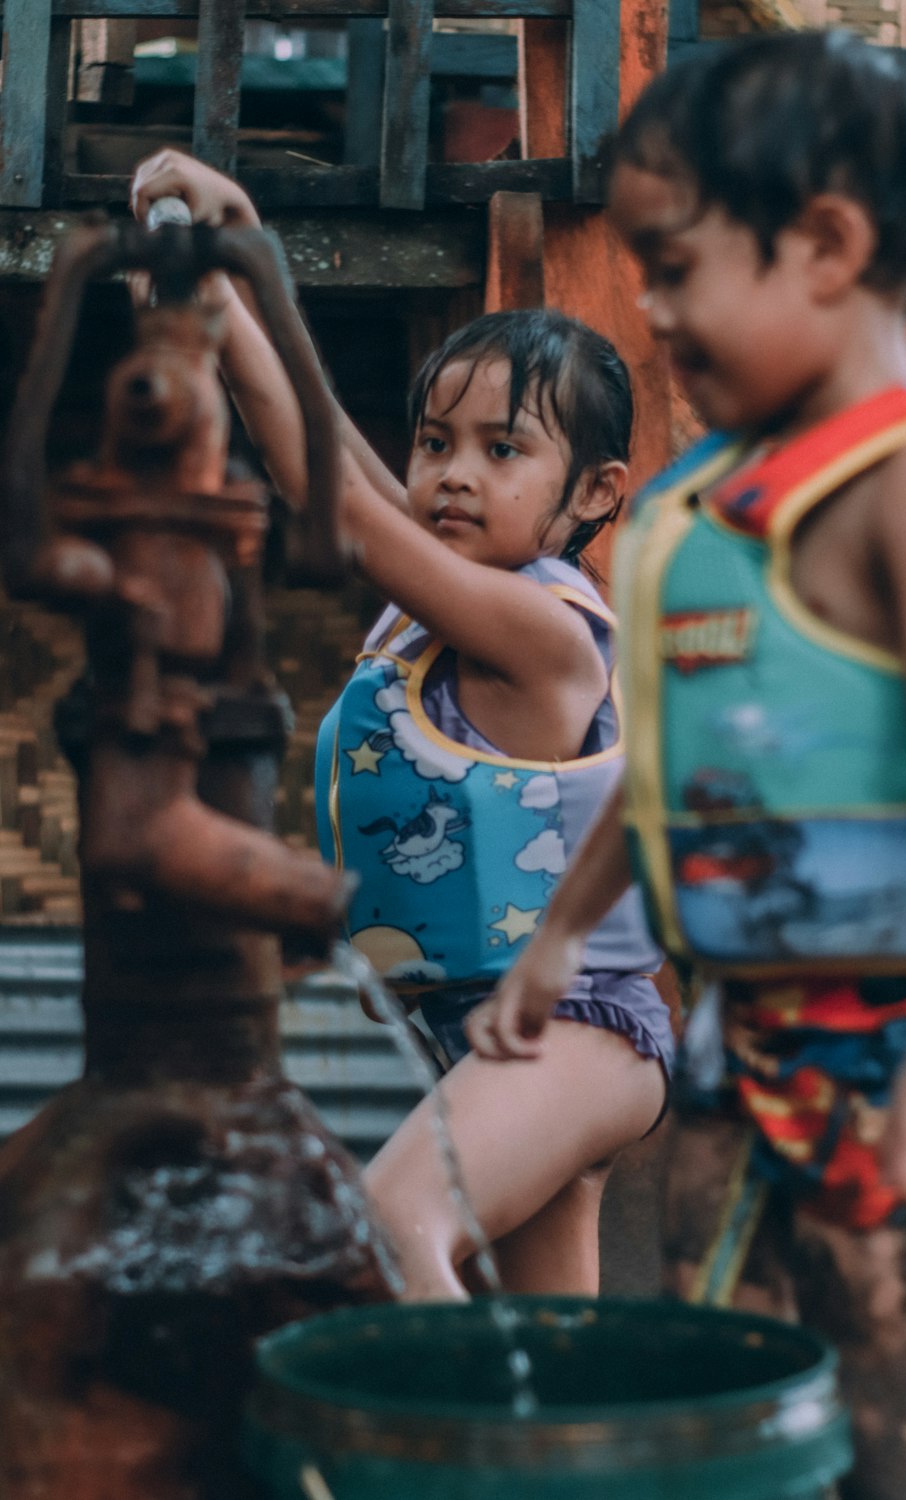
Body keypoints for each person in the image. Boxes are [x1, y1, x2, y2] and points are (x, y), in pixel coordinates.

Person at [467, 32, 906, 1500]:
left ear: (825, 244)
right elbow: (667, 776)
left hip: (887, 1040)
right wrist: (557, 943)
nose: (652, 302)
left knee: (879, 1403)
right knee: (726, 1383)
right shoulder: (700, 510)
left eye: (680, 263)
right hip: (729, 1031)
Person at [130, 152, 674, 1301]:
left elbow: (315, 484)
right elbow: (326, 439)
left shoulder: (543, 637)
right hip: (492, 1031)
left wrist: (220, 298)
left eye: (503, 448)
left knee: (390, 1222)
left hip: (581, 1033)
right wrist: (251, 256)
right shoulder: (438, 610)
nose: (452, 475)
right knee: (548, 1346)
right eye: (435, 443)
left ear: (593, 494)